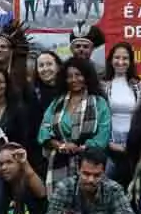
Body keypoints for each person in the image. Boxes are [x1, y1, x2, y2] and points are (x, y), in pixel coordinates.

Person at [38, 57, 111, 186]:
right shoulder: (57, 103)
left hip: (91, 165)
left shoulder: (99, 103)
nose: (73, 80)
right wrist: (60, 146)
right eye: (69, 76)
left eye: (78, 75)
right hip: (59, 163)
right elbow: (44, 130)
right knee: (60, 197)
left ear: (86, 76)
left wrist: (79, 148)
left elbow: (103, 137)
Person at [102, 42, 141, 180]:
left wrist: (134, 144)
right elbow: (99, 117)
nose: (120, 62)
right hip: (108, 146)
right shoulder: (102, 86)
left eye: (125, 58)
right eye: (117, 57)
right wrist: (108, 143)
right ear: (111, 60)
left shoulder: (140, 87)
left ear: (131, 61)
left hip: (134, 146)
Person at [0, 67, 37, 169]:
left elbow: (24, 141)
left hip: (12, 164)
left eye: (1, 82)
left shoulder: (18, 109)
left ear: (7, 85)